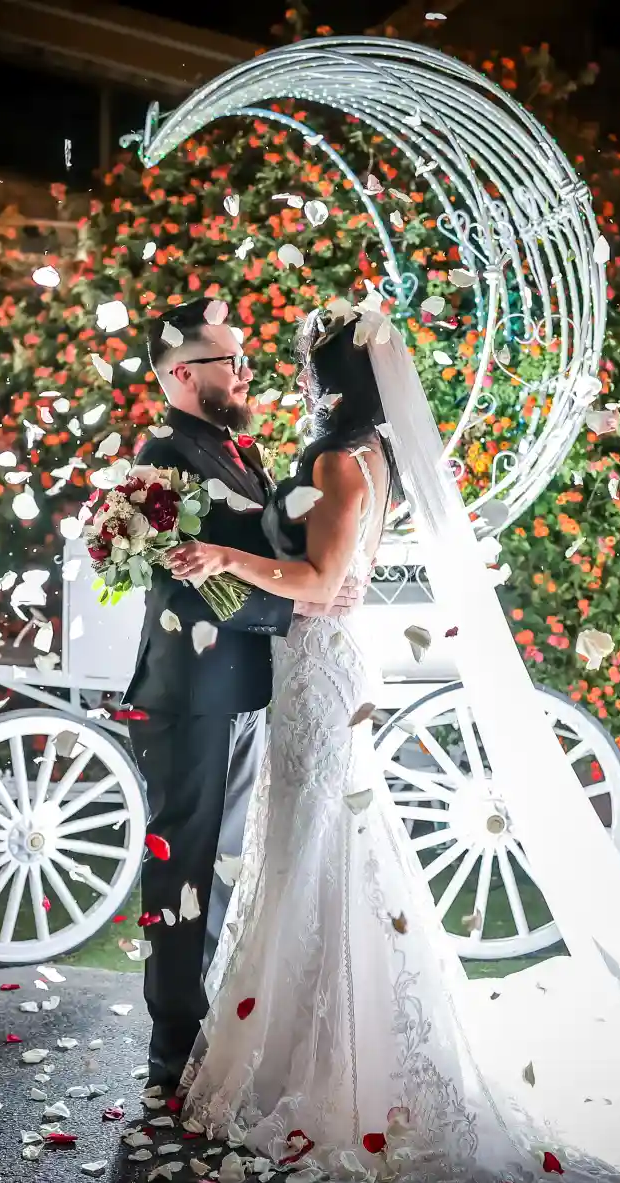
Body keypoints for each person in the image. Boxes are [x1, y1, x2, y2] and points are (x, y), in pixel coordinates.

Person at [157, 300, 620, 1183]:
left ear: (335, 378)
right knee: (316, 849)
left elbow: (318, 583)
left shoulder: (332, 459)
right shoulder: (374, 455)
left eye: (311, 364)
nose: (297, 378)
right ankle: (312, 1043)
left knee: (312, 850)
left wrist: (221, 557)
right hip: (322, 670)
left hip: (319, 667)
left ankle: (313, 1062)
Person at [123, 299, 362, 1099]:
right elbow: (192, 590)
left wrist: (310, 590)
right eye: (231, 362)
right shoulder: (162, 458)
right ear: (185, 375)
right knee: (183, 870)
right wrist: (306, 604)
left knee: (221, 868)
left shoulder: (234, 448)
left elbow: (248, 559)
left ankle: (204, 1040)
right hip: (189, 695)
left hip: (242, 689)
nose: (246, 372)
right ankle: (171, 1052)